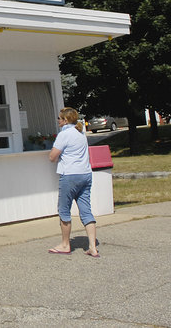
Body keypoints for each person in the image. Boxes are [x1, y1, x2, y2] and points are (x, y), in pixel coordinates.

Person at [48, 107, 99, 257]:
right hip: (85, 174)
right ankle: (92, 247)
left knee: (64, 210)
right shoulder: (80, 132)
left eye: (59, 118)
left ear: (65, 120)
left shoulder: (64, 134)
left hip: (70, 175)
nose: (58, 120)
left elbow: (52, 157)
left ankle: (65, 244)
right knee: (86, 210)